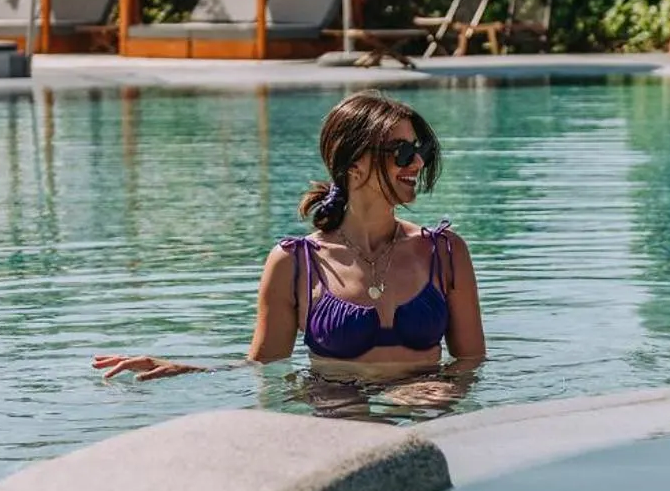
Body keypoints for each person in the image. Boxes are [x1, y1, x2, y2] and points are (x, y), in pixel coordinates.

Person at [94, 91, 487, 383]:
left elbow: (471, 363)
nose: (416, 162)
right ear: (354, 162)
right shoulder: (295, 263)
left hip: (424, 415)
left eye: (420, 150)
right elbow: (262, 368)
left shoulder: (444, 252)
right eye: (400, 152)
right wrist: (183, 370)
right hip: (338, 420)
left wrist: (438, 389)